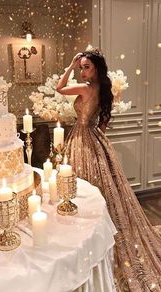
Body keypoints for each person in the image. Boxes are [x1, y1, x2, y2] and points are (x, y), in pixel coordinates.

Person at [56, 47, 161, 291]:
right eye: (80, 67)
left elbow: (59, 89)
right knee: (103, 187)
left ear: (96, 68)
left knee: (83, 185)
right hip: (94, 137)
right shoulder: (104, 89)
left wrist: (69, 66)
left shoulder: (84, 88)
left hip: (81, 138)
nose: (82, 71)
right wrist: (95, 140)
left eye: (86, 67)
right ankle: (100, 229)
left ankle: (87, 234)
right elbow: (103, 122)